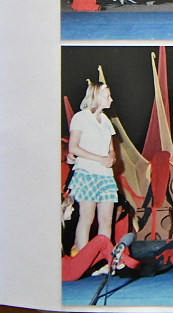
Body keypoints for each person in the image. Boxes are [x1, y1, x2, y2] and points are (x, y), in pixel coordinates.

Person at [68, 83, 118, 252]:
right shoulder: (80, 118)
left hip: (106, 176)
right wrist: (99, 159)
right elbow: (73, 147)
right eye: (107, 96)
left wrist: (111, 158)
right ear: (96, 97)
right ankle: (83, 258)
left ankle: (104, 258)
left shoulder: (106, 121)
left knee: (106, 220)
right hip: (87, 173)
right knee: (87, 218)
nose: (111, 99)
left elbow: (111, 149)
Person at [61, 195, 139, 280]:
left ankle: (129, 265)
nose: (73, 209)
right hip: (67, 272)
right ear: (62, 209)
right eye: (69, 207)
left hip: (67, 266)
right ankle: (130, 265)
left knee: (104, 251)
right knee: (101, 239)